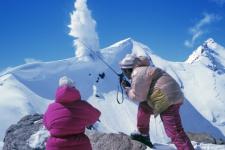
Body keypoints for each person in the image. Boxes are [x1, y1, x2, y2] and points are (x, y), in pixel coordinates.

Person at [119, 54, 194, 150]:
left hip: (166, 100)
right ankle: (143, 133)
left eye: (124, 71)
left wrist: (127, 89)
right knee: (144, 107)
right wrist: (131, 88)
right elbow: (145, 94)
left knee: (175, 132)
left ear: (128, 69)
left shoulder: (137, 73)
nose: (124, 74)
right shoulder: (145, 69)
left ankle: (143, 134)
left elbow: (139, 96)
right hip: (169, 97)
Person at [43, 76, 101, 150]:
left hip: (55, 146)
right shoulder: (82, 106)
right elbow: (96, 115)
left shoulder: (51, 108)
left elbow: (46, 124)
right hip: (80, 146)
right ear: (74, 89)